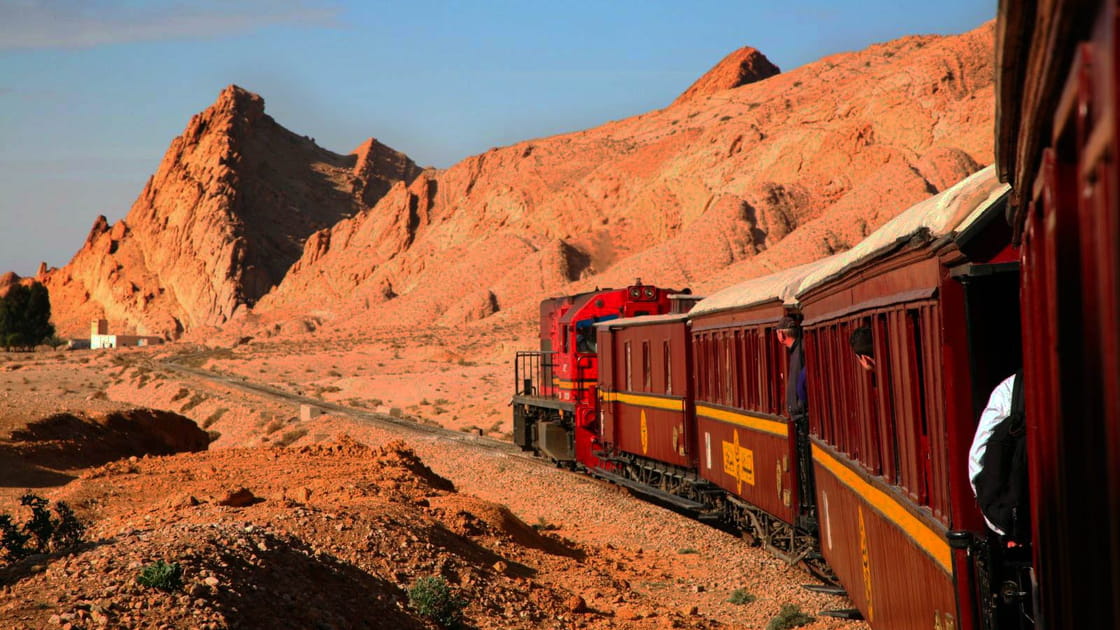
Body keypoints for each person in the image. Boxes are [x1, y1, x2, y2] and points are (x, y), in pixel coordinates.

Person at [968, 372, 1027, 538]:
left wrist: (1002, 523)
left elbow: (977, 459)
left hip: (1021, 520)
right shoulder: (1010, 391)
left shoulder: (1010, 390)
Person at [776, 316, 806, 417]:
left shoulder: (799, 353)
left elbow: (801, 381)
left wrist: (798, 406)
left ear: (782, 334)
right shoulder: (798, 350)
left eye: (777, 333)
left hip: (801, 414)